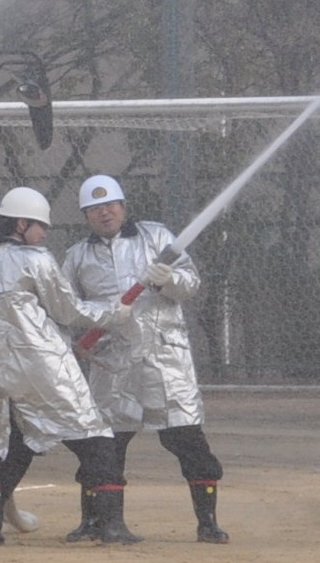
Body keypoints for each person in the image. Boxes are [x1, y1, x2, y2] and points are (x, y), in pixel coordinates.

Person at [61, 172, 227, 543]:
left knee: (187, 439)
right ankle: (97, 522)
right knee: (103, 445)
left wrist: (166, 279)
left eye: (110, 205)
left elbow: (191, 284)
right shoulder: (77, 256)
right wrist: (99, 317)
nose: (104, 213)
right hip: (111, 363)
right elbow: (66, 307)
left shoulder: (158, 238)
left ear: (123, 206)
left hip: (164, 360)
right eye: (95, 209)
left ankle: (207, 522)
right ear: (85, 215)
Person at [0, 185, 133, 546]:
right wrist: (114, 313)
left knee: (15, 444)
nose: (44, 234)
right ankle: (112, 525)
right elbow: (67, 310)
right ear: (21, 223)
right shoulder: (36, 261)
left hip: (0, 373)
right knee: (95, 437)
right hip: (44, 368)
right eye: (41, 226)